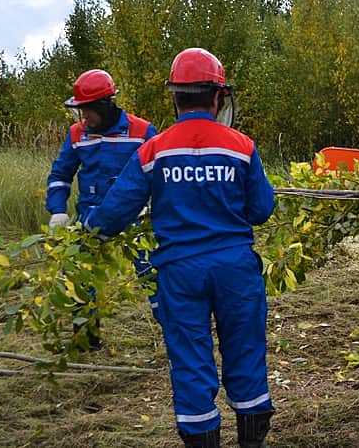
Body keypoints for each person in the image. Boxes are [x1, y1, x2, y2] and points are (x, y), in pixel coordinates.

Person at [83, 48, 276, 448]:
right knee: (246, 358)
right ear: (218, 97)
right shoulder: (242, 147)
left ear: (176, 97)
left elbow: (115, 212)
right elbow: (261, 210)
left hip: (178, 273)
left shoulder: (153, 150)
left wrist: (87, 230)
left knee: (191, 365)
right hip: (235, 270)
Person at [46, 69, 157, 346]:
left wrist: (153, 208)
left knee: (154, 271)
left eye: (88, 112)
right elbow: (60, 175)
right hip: (90, 218)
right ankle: (86, 338)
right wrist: (58, 210)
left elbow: (159, 175)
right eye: (80, 112)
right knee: (80, 274)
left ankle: (172, 329)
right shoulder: (76, 134)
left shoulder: (142, 131)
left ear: (105, 106)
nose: (84, 119)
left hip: (135, 217)